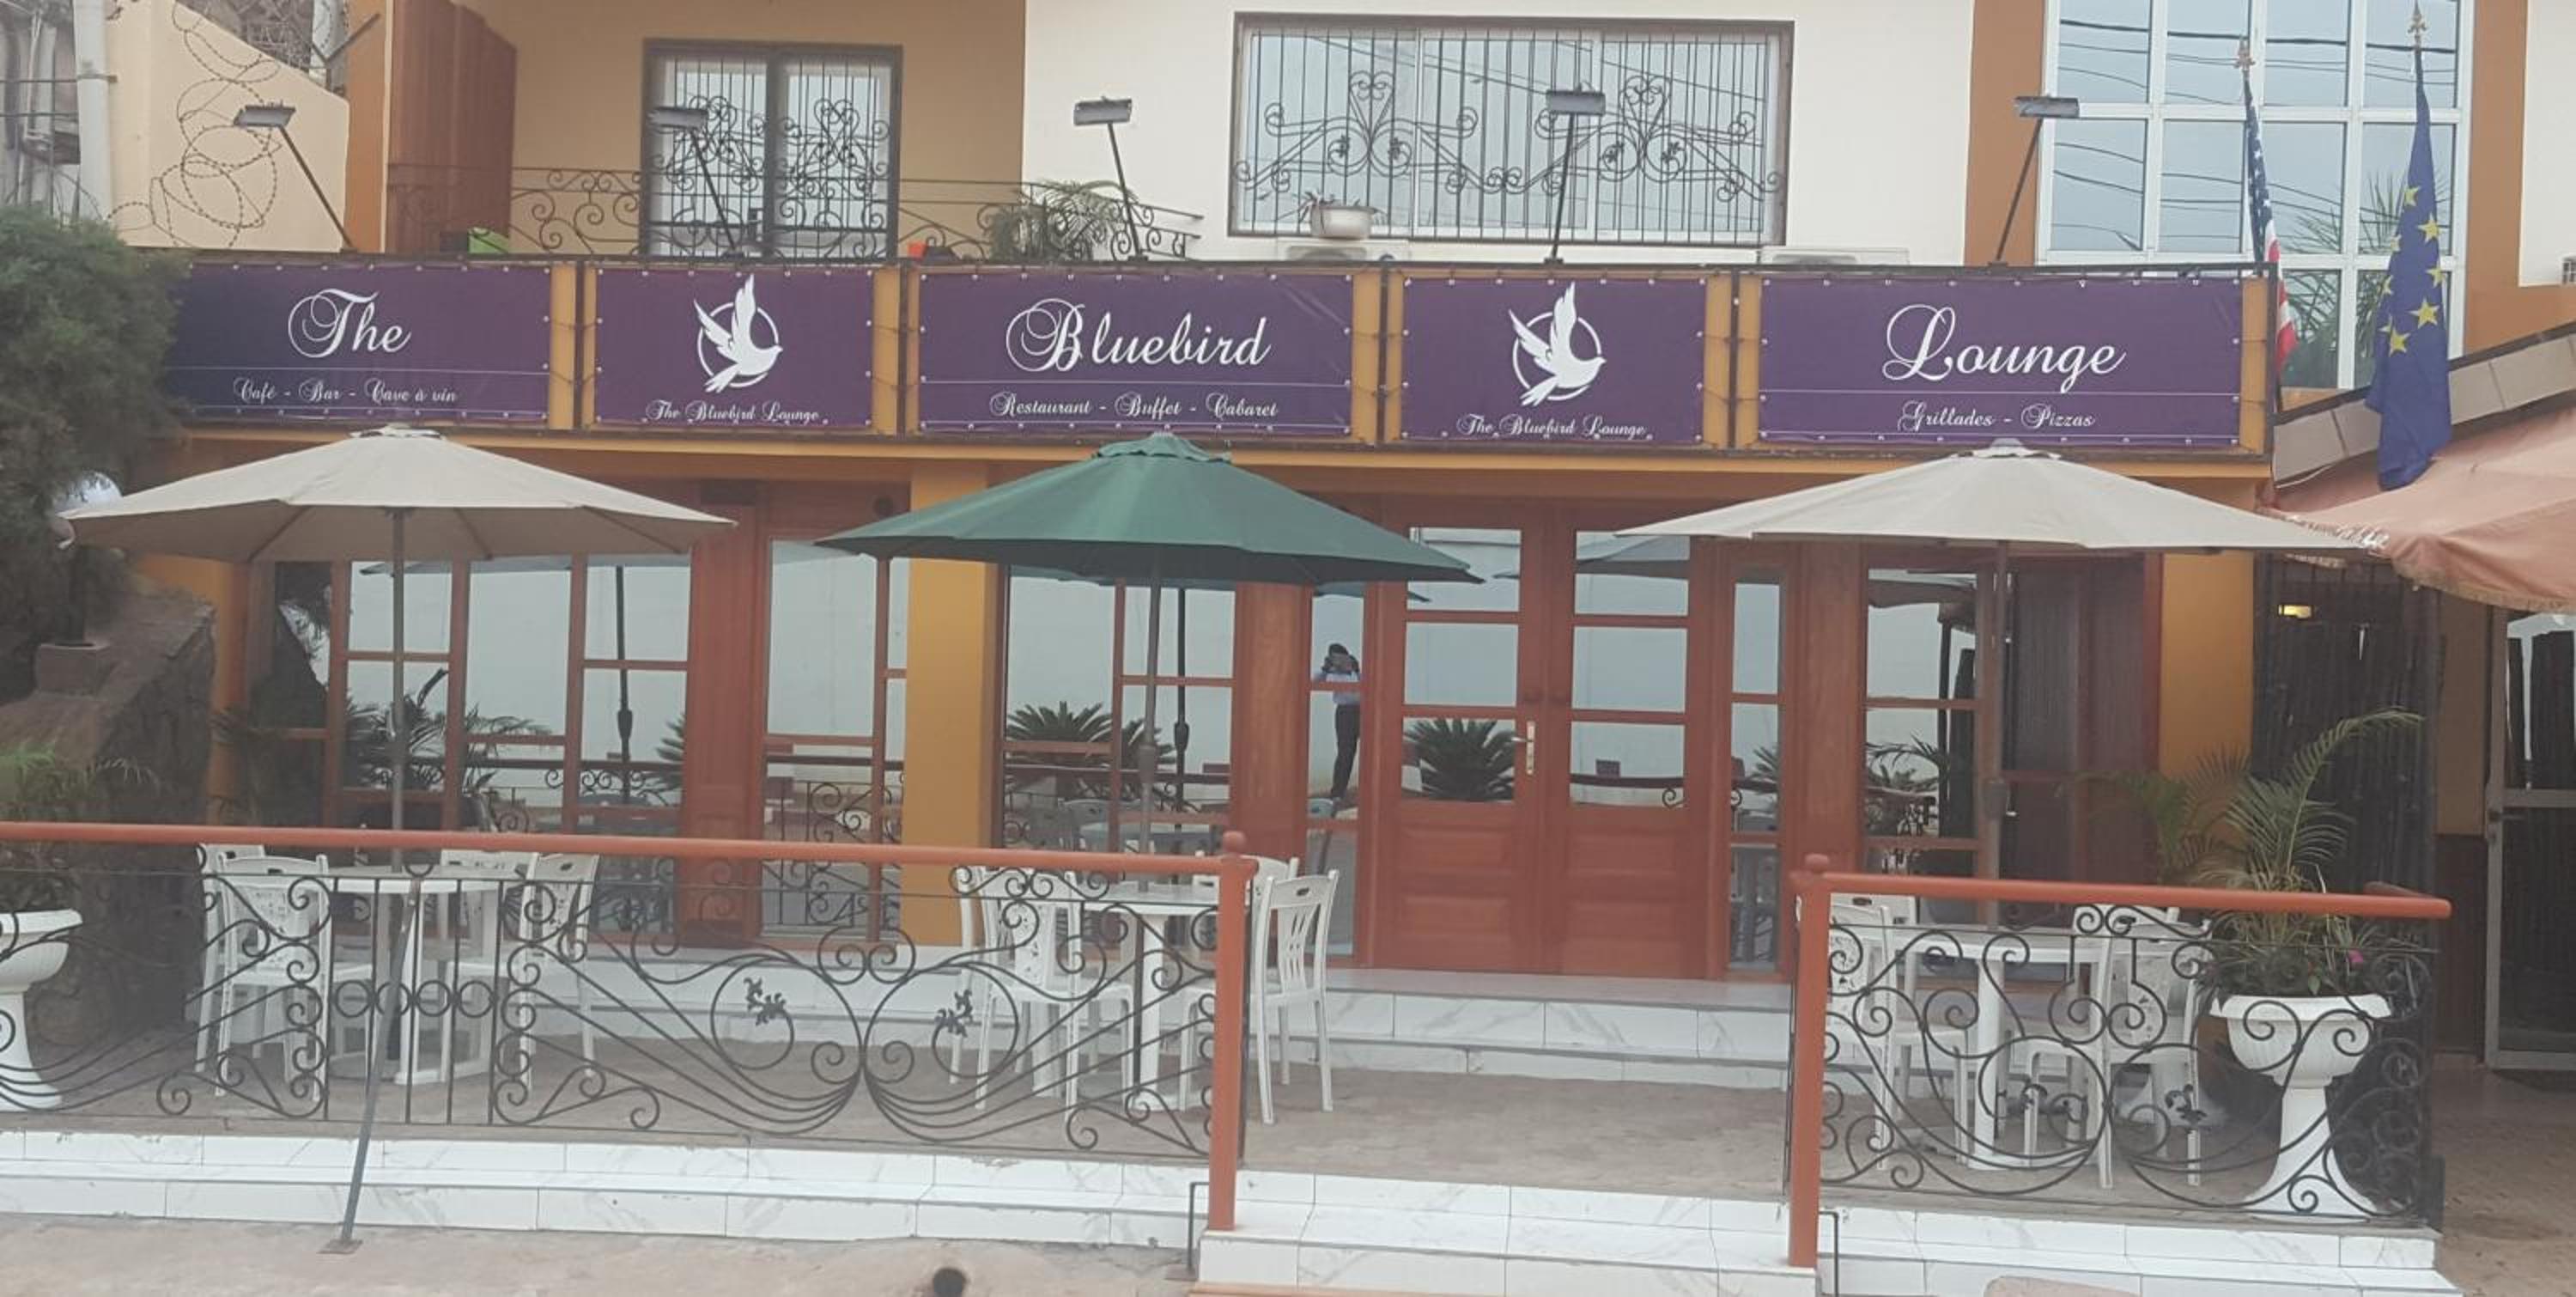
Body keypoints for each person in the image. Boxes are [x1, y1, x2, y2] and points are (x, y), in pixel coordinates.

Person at [1316, 643, 1362, 801]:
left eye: (1342, 657)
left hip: (1364, 710)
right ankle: (1337, 793)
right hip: (1345, 713)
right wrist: (1325, 669)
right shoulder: (1332, 674)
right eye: (1335, 658)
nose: (1339, 661)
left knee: (1370, 751)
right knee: (1346, 753)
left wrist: (1356, 670)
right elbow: (1315, 682)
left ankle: (1369, 791)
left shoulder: (1356, 672)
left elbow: (1368, 686)